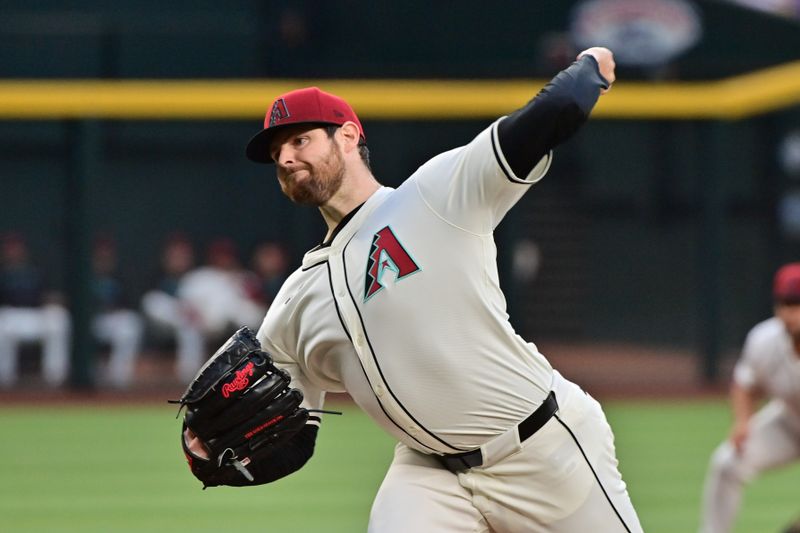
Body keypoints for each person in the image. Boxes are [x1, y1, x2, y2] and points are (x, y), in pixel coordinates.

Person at [185, 47, 642, 532]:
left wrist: (589, 68)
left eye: (300, 140)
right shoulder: (296, 300)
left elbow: (550, 115)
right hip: (429, 476)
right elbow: (283, 425)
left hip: (541, 447)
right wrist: (209, 443)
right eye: (277, 153)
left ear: (347, 136)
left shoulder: (434, 195)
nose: (286, 157)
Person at [699, 263, 800, 533]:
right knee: (727, 462)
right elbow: (744, 384)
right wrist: (743, 421)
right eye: (785, 303)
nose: (791, 312)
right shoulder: (764, 339)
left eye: (798, 304)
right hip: (789, 423)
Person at [0, 232, 70, 387]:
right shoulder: (3, 272)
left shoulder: (36, 269)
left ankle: (55, 378)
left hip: (35, 314)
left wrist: (51, 300)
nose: (14, 251)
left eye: (16, 248)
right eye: (10, 248)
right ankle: (4, 379)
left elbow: (51, 295)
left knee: (58, 318)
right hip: (9, 315)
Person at [140, 234, 205, 382]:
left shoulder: (197, 277)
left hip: (188, 323)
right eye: (175, 255)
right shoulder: (156, 276)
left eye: (182, 256)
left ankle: (189, 381)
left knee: (189, 328)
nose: (179, 260)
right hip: (161, 324)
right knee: (153, 301)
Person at [176, 238, 266, 345]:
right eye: (220, 255)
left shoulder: (244, 276)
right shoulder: (199, 276)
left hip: (236, 320)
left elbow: (258, 303)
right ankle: (190, 362)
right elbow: (186, 305)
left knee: (249, 314)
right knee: (190, 326)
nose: (223, 259)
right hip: (205, 320)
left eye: (226, 255)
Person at [91, 237, 144, 388]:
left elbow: (132, 302)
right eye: (100, 253)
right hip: (91, 320)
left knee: (130, 324)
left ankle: (119, 379)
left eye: (106, 252)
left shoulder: (121, 274)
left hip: (113, 319)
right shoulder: (83, 274)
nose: (103, 256)